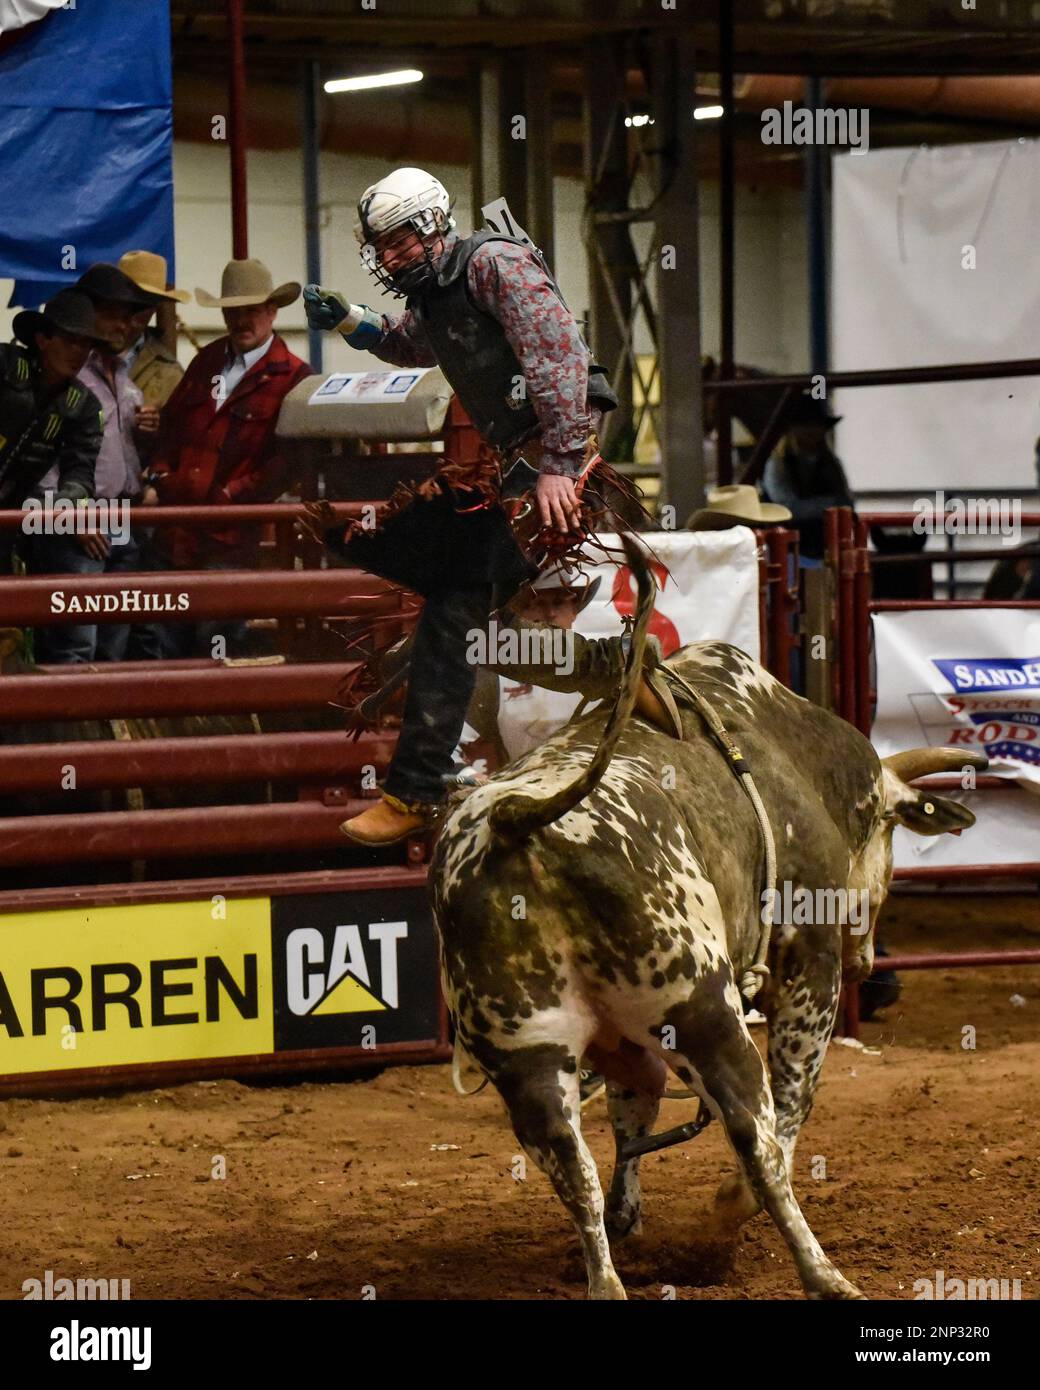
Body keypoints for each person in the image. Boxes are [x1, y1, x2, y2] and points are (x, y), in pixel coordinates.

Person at [303, 166, 649, 845]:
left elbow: (558, 360)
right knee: (458, 609)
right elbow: (412, 342)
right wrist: (352, 321)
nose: (390, 256)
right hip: (529, 456)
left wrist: (559, 465)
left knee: (456, 603)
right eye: (381, 248)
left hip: (558, 455)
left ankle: (414, 789)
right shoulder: (439, 290)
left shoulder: (494, 264)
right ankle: (618, 671)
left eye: (399, 240)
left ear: (434, 225)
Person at [145, 258, 312, 656]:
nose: (241, 320)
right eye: (233, 311)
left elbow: (289, 462)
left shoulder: (294, 377)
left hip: (230, 538)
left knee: (215, 640)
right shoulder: (207, 361)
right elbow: (171, 427)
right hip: (179, 533)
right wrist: (164, 478)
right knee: (165, 640)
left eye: (251, 310)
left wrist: (231, 495)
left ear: (272, 312)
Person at [25, 263, 164, 663]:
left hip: (119, 512)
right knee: (76, 640)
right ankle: (73, 722)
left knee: (110, 638)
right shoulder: (63, 372)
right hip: (72, 516)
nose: (126, 325)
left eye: (127, 316)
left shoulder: (120, 375)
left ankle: (98, 720)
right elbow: (38, 456)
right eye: (115, 314)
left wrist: (146, 445)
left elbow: (111, 450)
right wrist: (67, 512)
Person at [0, 290, 105, 574]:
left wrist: (67, 505)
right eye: (71, 341)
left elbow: (80, 471)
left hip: (10, 514)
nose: (79, 353)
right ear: (43, 340)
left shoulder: (83, 406)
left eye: (86, 345)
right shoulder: (5, 364)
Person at [761, 393, 855, 563]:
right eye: (804, 425)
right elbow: (785, 508)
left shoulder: (831, 464)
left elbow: (847, 504)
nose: (811, 430)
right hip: (787, 548)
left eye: (816, 425)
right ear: (792, 429)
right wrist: (830, 505)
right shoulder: (778, 464)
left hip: (824, 546)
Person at [117, 249, 188, 409]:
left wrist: (155, 429)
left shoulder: (170, 373)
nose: (138, 309)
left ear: (155, 307)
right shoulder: (86, 355)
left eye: (147, 302)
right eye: (132, 300)